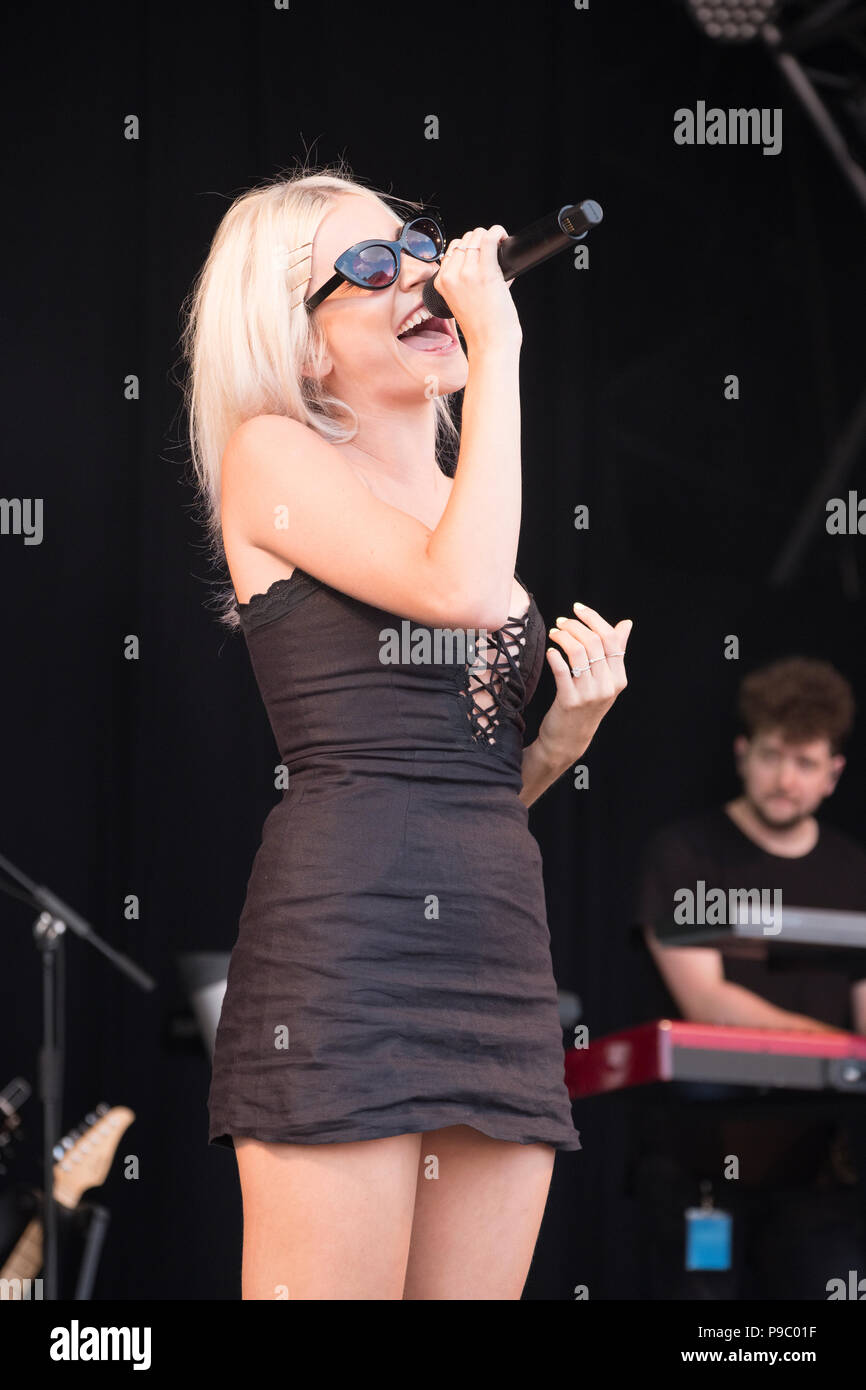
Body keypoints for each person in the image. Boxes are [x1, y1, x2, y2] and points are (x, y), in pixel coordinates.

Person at [180, 162, 632, 1300]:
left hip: (492, 948)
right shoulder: (274, 456)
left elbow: (454, 777)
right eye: (371, 267)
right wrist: (503, 354)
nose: (423, 275)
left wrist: (555, 746)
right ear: (302, 343)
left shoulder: (454, 489)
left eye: (417, 245)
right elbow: (468, 588)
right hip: (345, 952)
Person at [634, 656, 866, 1298]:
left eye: (806, 763)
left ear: (834, 773)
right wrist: (844, 1050)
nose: (785, 779)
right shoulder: (683, 853)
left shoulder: (855, 873)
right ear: (742, 752)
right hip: (701, 1155)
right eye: (771, 756)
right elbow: (707, 1001)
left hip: (823, 1165)